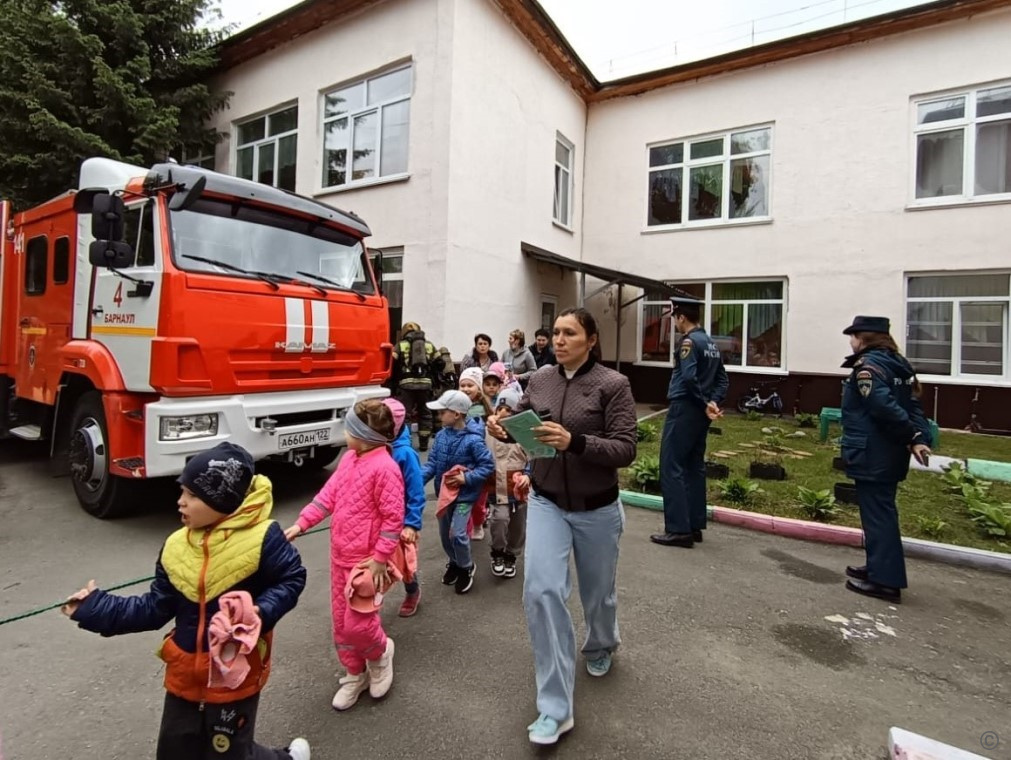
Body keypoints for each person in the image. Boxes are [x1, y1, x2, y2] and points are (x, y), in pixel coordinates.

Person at [62, 442, 310, 760]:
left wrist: (260, 612)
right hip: (184, 676)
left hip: (233, 673)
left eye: (192, 495)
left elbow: (292, 579)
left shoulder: (263, 539)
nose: (181, 501)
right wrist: (92, 608)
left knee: (230, 753)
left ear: (221, 499)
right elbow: (153, 608)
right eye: (182, 491)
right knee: (174, 751)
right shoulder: (175, 547)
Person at [488, 308, 636, 746]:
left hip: (597, 507)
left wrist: (577, 442)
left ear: (591, 340)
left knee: (598, 593)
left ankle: (602, 642)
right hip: (546, 501)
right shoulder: (541, 379)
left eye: (570, 333)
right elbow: (527, 427)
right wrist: (505, 428)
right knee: (541, 592)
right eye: (555, 332)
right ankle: (555, 708)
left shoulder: (613, 384)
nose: (559, 339)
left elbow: (626, 449)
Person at [285, 400, 404, 711]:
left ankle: (380, 656)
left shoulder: (385, 468)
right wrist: (301, 523)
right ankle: (355, 673)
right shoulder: (350, 459)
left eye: (349, 429)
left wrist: (380, 558)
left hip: (366, 564)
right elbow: (328, 497)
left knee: (359, 624)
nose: (344, 434)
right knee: (341, 623)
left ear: (364, 435)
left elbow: (393, 518)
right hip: (339, 556)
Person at [840, 316, 933, 604]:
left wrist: (911, 435)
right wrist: (919, 437)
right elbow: (913, 405)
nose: (851, 342)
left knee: (879, 515)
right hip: (887, 452)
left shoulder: (868, 367)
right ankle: (878, 567)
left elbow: (884, 408)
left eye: (853, 336)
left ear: (863, 338)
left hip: (873, 452)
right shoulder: (897, 364)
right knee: (880, 512)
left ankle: (885, 582)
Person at [651, 295, 729, 549]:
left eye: (675, 317)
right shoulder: (711, 343)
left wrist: (704, 402)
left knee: (671, 465)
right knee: (694, 466)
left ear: (681, 317)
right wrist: (713, 401)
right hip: (701, 414)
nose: (675, 322)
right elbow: (723, 380)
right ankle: (694, 525)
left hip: (685, 408)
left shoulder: (689, 342)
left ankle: (678, 529)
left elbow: (688, 377)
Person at [422, 389, 495, 595]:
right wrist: (416, 480)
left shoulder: (474, 440)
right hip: (445, 496)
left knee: (457, 532)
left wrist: (466, 478)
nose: (438, 416)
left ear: (456, 414)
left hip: (464, 497)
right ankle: (454, 561)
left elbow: (487, 466)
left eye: (442, 412)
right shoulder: (441, 436)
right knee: (445, 534)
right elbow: (433, 463)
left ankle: (466, 566)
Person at [383, 398, 426, 617]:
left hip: (401, 519)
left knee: (405, 561)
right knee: (377, 558)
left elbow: (416, 491)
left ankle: (412, 590)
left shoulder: (405, 454)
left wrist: (412, 523)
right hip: (380, 517)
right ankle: (371, 598)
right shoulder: (375, 447)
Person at [486, 388, 529, 579]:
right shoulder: (488, 432)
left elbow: (534, 457)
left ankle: (511, 554)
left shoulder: (524, 434)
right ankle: (498, 552)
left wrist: (528, 474)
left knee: (518, 526)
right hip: (497, 489)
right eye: (500, 408)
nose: (503, 412)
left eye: (509, 410)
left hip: (519, 490)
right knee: (499, 520)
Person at [392, 322, 443, 452]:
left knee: (405, 414)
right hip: (425, 385)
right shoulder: (429, 345)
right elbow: (440, 363)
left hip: (406, 385)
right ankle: (424, 444)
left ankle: (405, 442)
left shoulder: (400, 345)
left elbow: (392, 361)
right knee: (425, 414)